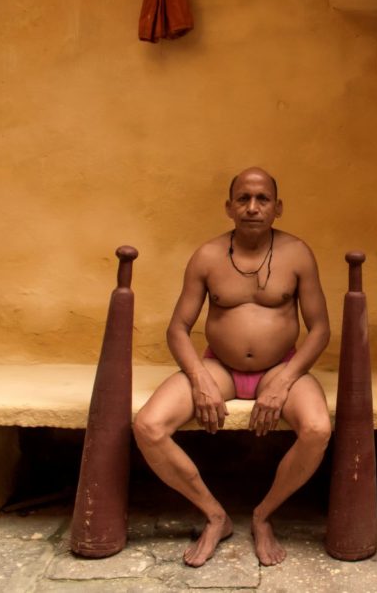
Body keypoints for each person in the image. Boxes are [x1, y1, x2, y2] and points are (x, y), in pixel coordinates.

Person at [134, 167, 331, 568]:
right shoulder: (207, 256)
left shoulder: (297, 254)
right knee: (148, 426)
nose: (253, 207)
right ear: (229, 207)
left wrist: (285, 382)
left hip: (282, 369)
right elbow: (178, 329)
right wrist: (200, 378)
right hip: (218, 368)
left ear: (278, 207)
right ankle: (214, 515)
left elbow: (321, 329)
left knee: (317, 429)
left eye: (262, 199)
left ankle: (262, 515)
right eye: (243, 198)